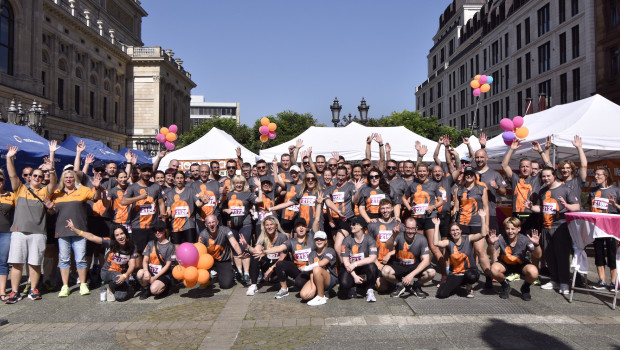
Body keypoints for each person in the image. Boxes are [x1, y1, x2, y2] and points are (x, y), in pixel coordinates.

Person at [5, 142, 58, 304]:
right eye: (34, 176)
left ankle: (34, 289)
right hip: (19, 231)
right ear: (29, 177)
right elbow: (13, 176)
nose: (37, 178)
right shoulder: (20, 189)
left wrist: (51, 167)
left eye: (40, 176)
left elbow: (54, 183)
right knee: (17, 263)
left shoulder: (44, 191)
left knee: (35, 263)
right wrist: (9, 158)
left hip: (38, 233)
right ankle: (15, 291)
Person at [525, 167, 580, 294]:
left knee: (562, 255)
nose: (546, 178)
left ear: (554, 176)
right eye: (543, 176)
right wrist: (531, 207)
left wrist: (566, 206)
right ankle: (554, 279)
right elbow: (541, 208)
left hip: (560, 227)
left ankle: (564, 282)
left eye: (548, 176)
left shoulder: (565, 189)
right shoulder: (543, 190)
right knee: (549, 255)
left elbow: (577, 206)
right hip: (546, 227)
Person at [50, 169, 103, 297]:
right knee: (64, 260)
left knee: (80, 259)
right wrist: (49, 208)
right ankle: (65, 286)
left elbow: (95, 198)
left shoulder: (83, 190)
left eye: (71, 177)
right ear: (63, 180)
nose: (68, 179)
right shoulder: (56, 193)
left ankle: (83, 284)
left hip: (80, 231)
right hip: (62, 231)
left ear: (75, 179)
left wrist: (98, 188)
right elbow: (52, 213)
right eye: (66, 177)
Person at [261, 197, 322, 299]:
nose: (301, 228)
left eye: (303, 225)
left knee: (298, 284)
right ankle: (284, 289)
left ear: (306, 228)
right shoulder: (291, 241)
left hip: (311, 269)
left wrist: (319, 204)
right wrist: (265, 251)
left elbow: (317, 220)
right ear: (295, 229)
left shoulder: (311, 236)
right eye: (298, 226)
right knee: (280, 264)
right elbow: (279, 248)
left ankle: (316, 284)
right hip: (299, 270)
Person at [66, 219, 138, 301]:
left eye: (122, 234)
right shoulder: (110, 243)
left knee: (120, 297)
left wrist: (125, 275)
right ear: (114, 237)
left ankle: (115, 287)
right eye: (117, 235)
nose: (120, 237)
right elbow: (92, 237)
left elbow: (132, 265)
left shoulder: (132, 246)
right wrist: (75, 230)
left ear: (126, 234)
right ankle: (109, 288)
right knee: (118, 279)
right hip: (107, 272)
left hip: (121, 273)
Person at [401, 162, 444, 285]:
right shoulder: (412, 185)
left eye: (424, 171)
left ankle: (444, 275)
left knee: (433, 247)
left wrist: (433, 206)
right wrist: (409, 207)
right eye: (419, 171)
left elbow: (440, 201)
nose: (422, 173)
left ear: (428, 172)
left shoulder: (434, 184)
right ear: (416, 172)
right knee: (418, 247)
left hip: (430, 217)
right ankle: (419, 274)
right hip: (417, 218)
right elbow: (404, 198)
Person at [433, 210, 490, 299]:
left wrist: (482, 217)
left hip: (469, 271)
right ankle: (457, 285)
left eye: (457, 230)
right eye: (452, 230)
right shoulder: (448, 242)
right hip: (456, 274)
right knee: (441, 294)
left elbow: (483, 234)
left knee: (472, 276)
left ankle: (468, 288)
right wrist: (436, 226)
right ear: (450, 232)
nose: (455, 232)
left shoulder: (468, 238)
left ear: (461, 230)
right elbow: (436, 243)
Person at [120, 164, 167, 269]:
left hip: (153, 226)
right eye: (144, 171)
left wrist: (163, 221)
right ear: (140, 172)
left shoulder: (156, 186)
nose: (147, 173)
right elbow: (123, 201)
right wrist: (139, 197)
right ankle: (140, 276)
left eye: (149, 171)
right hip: (138, 227)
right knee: (139, 253)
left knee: (154, 251)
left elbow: (161, 203)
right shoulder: (132, 187)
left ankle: (153, 274)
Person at [453, 166, 492, 288]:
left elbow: (486, 207)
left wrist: (486, 224)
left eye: (471, 174)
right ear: (464, 176)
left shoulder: (481, 188)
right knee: (464, 252)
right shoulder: (458, 189)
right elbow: (456, 207)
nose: (469, 176)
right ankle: (464, 278)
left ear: (475, 175)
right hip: (462, 224)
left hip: (477, 224)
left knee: (480, 251)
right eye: (467, 174)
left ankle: (489, 277)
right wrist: (453, 222)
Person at [488, 217, 542, 301]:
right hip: (505, 263)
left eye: (513, 229)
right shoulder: (501, 238)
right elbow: (489, 253)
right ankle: (505, 286)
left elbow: (538, 256)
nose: (510, 231)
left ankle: (525, 288)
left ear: (518, 229)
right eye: (507, 228)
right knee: (494, 269)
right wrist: (491, 244)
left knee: (534, 272)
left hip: (521, 263)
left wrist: (537, 245)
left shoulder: (524, 239)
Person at [223, 175, 263, 285]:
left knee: (244, 246)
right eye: (236, 183)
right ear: (233, 184)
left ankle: (246, 273)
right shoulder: (229, 194)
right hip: (232, 225)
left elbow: (259, 200)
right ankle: (239, 272)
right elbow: (221, 207)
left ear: (244, 183)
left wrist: (259, 187)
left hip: (245, 224)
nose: (239, 185)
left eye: (241, 183)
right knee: (235, 248)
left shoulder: (248, 194)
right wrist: (226, 210)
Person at [383, 217, 436, 299]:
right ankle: (399, 285)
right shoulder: (399, 235)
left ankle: (417, 285)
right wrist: (393, 235)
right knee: (385, 271)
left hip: (414, 265)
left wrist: (411, 275)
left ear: (416, 228)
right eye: (408, 228)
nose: (410, 231)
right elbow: (388, 246)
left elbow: (426, 261)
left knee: (431, 272)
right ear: (404, 227)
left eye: (413, 229)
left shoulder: (422, 239)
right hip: (399, 265)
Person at [240, 216, 289, 296]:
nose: (269, 227)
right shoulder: (263, 236)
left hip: (279, 265)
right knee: (255, 256)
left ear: (276, 226)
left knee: (274, 279)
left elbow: (282, 257)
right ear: (264, 227)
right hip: (269, 264)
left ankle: (281, 283)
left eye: (271, 224)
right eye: (267, 225)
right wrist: (246, 246)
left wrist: (271, 269)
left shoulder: (282, 237)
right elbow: (256, 251)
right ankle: (254, 285)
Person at [588, 167, 619, 290]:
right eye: (595, 174)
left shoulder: (616, 190)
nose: (595, 177)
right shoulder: (593, 191)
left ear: (606, 176)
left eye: (598, 174)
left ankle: (613, 281)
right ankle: (601, 280)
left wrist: (614, 204)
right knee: (598, 251)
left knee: (612, 252)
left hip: (611, 226)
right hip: (597, 226)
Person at [324, 166, 363, 261]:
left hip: (346, 220)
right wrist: (331, 218)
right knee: (336, 248)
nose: (340, 178)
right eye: (338, 175)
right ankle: (341, 270)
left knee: (338, 247)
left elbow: (355, 201)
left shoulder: (350, 186)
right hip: (335, 220)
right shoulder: (331, 188)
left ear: (347, 175)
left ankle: (348, 270)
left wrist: (357, 190)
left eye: (343, 175)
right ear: (335, 175)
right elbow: (328, 202)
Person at [198, 215, 246, 289]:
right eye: (209, 223)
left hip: (223, 260)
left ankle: (231, 273)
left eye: (213, 222)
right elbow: (199, 249)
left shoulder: (225, 230)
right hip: (208, 261)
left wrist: (240, 254)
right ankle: (209, 277)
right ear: (206, 225)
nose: (211, 225)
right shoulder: (203, 234)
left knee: (226, 285)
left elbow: (234, 243)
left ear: (217, 222)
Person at [165, 171, 210, 248]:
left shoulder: (190, 190)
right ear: (174, 179)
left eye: (181, 178)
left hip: (189, 225)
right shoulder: (170, 193)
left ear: (184, 179)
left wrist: (203, 202)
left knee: (190, 248)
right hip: (175, 226)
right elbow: (168, 210)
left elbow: (198, 204)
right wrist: (165, 215)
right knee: (177, 250)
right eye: (177, 178)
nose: (179, 180)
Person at [339, 217, 378, 302]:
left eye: (354, 224)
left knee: (372, 267)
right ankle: (353, 285)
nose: (351, 226)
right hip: (350, 268)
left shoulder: (370, 239)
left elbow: (373, 258)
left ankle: (369, 290)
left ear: (361, 226)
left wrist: (355, 264)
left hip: (362, 267)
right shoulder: (346, 240)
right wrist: (355, 276)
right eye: (350, 224)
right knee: (344, 284)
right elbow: (345, 261)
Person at [367, 199, 403, 292]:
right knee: (382, 288)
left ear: (392, 209)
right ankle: (389, 281)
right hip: (378, 260)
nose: (385, 210)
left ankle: (395, 281)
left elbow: (403, 246)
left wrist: (390, 254)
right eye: (382, 208)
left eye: (387, 208)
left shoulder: (399, 224)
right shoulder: (373, 224)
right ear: (379, 210)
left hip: (394, 261)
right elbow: (368, 247)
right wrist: (377, 263)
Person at [136, 223, 175, 299]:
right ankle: (146, 289)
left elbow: (168, 265)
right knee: (140, 273)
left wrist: (155, 277)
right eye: (155, 230)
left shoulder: (170, 246)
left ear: (165, 231)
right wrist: (146, 271)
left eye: (160, 230)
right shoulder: (151, 243)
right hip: (151, 271)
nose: (157, 232)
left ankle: (165, 288)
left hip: (163, 274)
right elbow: (145, 260)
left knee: (154, 290)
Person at [300, 231, 338, 306]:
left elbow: (323, 262)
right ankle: (322, 291)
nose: (319, 241)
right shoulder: (312, 254)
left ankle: (321, 297)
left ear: (326, 241)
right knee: (303, 295)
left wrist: (307, 267)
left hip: (330, 278)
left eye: (321, 239)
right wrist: (313, 288)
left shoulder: (330, 250)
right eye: (317, 239)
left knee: (316, 269)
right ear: (314, 241)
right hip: (316, 277)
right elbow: (311, 272)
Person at [191, 164, 222, 232]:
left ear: (209, 173)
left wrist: (224, 194)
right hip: (201, 219)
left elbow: (220, 200)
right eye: (202, 172)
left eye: (206, 172)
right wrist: (203, 201)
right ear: (199, 172)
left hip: (215, 218)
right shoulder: (194, 185)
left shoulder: (216, 183)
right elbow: (197, 204)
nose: (204, 174)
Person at [0, 170, 15, 302]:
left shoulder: (11, 195)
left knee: (3, 262)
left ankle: (2, 291)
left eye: (0, 179)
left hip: (5, 232)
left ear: (4, 181)